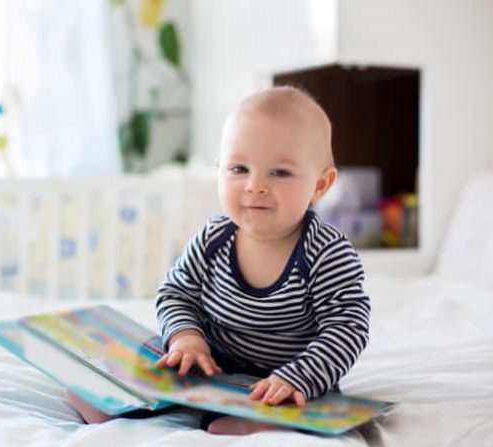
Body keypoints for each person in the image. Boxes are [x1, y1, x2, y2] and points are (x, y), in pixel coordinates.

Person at [69, 86, 371, 435]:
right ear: (219, 171)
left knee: (287, 403)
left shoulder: (326, 252)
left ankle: (258, 422)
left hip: (284, 377)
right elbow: (175, 293)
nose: (255, 186)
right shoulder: (215, 238)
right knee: (160, 366)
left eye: (280, 173)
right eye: (239, 168)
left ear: (321, 185)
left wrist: (299, 377)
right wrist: (185, 336)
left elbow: (347, 327)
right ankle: (121, 401)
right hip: (209, 364)